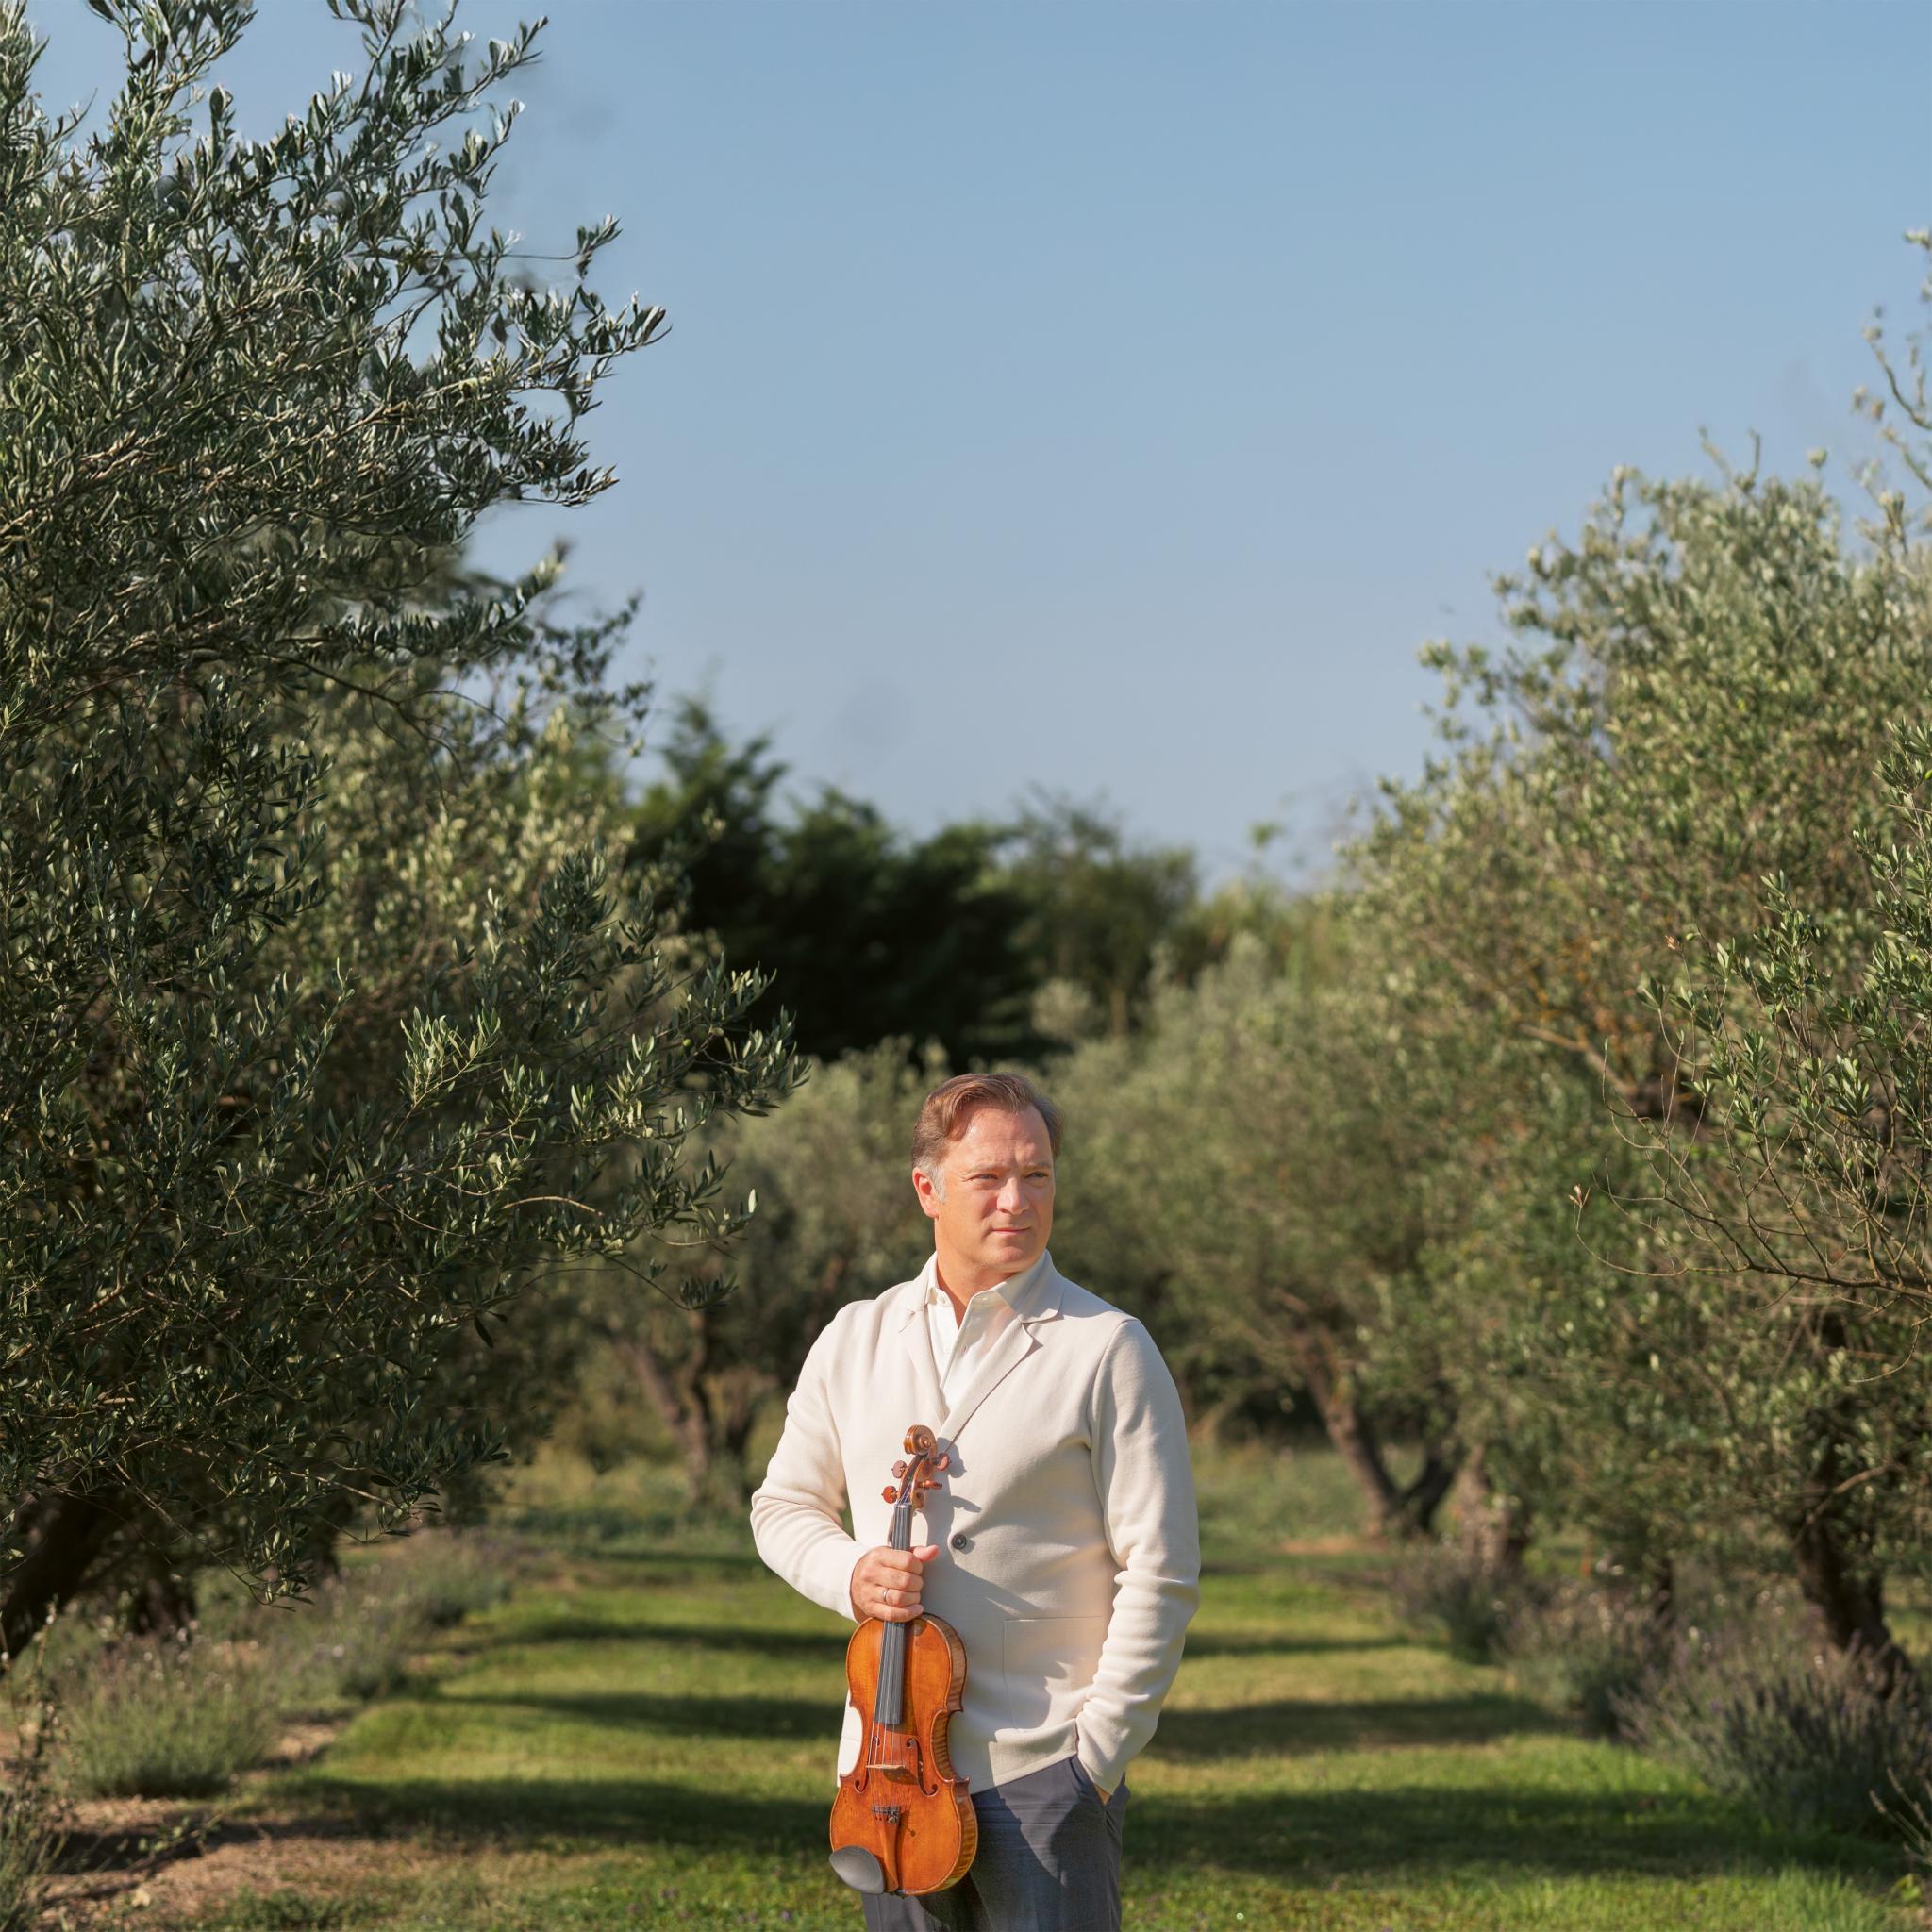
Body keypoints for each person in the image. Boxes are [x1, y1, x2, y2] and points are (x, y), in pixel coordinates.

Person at [749, 1071, 1201, 1932]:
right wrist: (851, 1573)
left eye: (1038, 1176)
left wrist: (1096, 1758)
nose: (1017, 1201)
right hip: (888, 1773)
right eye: (989, 1178)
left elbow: (1163, 1569)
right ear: (929, 1189)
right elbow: (783, 1506)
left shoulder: (1108, 1349)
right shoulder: (855, 1337)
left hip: (1045, 1774)